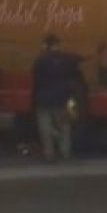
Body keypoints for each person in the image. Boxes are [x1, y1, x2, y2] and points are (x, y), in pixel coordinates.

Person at [31, 33, 82, 161]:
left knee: (45, 128)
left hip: (43, 99)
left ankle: (49, 154)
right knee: (64, 127)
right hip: (61, 98)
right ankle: (65, 153)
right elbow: (77, 68)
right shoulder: (67, 60)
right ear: (57, 45)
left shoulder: (40, 61)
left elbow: (35, 80)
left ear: (46, 46)